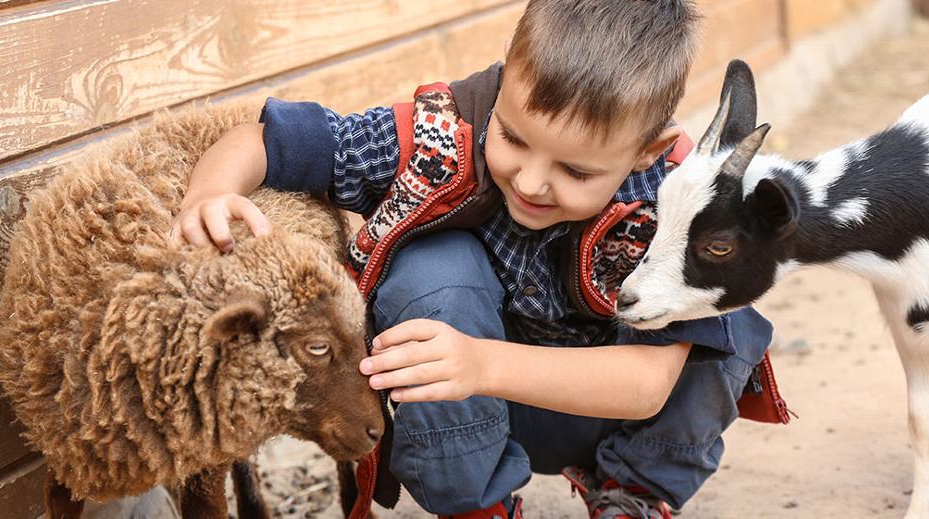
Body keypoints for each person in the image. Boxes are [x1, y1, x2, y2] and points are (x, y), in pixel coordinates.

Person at [171, 1, 779, 517]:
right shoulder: (445, 135)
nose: (533, 181)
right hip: (472, 409)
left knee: (725, 319)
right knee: (430, 261)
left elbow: (647, 387)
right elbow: (265, 139)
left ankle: (632, 493)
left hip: (605, 410)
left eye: (575, 170)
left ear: (647, 153)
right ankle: (476, 501)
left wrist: (483, 363)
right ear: (507, 76)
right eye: (513, 138)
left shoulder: (674, 206)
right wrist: (210, 192)